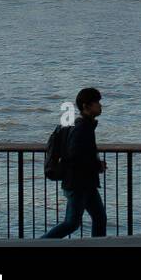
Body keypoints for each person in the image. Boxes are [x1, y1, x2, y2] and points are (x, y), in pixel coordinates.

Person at [42, 87, 107, 239]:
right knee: (71, 223)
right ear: (86, 106)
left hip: (85, 183)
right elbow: (75, 157)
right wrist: (98, 166)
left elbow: (80, 155)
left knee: (99, 218)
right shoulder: (82, 128)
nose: (100, 105)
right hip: (78, 183)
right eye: (96, 102)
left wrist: (96, 165)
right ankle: (40, 244)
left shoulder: (84, 125)